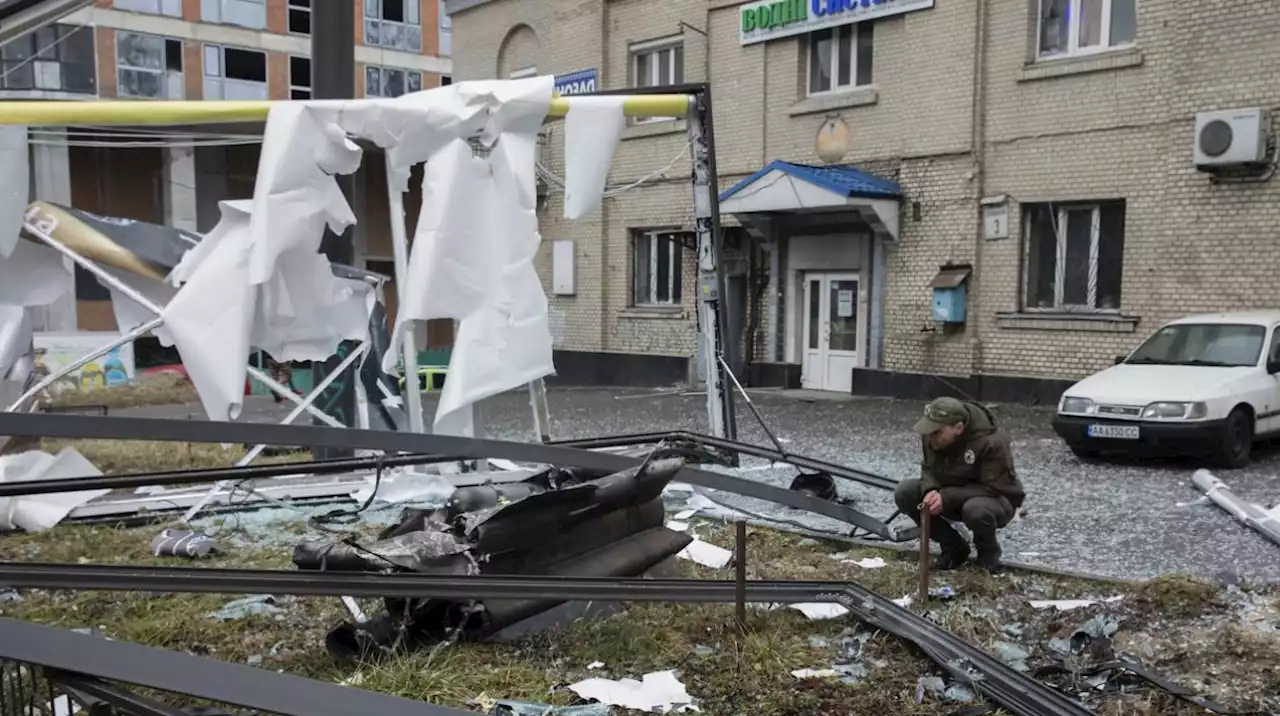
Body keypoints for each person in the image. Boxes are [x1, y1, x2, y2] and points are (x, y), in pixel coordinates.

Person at [894, 396, 1025, 573]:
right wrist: (931, 489)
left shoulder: (991, 441)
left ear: (959, 428)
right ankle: (954, 548)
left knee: (976, 510)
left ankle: (988, 558)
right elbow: (927, 467)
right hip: (950, 495)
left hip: (995, 499)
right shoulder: (932, 434)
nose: (930, 436)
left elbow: (993, 488)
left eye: (937, 432)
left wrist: (946, 497)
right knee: (905, 492)